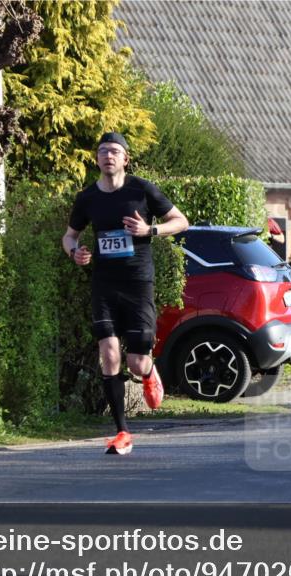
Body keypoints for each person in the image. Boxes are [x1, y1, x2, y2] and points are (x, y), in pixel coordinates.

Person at [63, 132, 189, 454]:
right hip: (104, 284)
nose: (108, 156)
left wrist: (151, 230)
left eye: (115, 151)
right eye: (103, 151)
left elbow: (181, 221)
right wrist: (75, 252)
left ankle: (148, 372)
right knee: (108, 352)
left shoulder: (141, 190)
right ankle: (122, 432)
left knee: (135, 361)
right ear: (97, 159)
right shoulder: (88, 197)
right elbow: (69, 236)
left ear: (125, 159)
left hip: (137, 283)